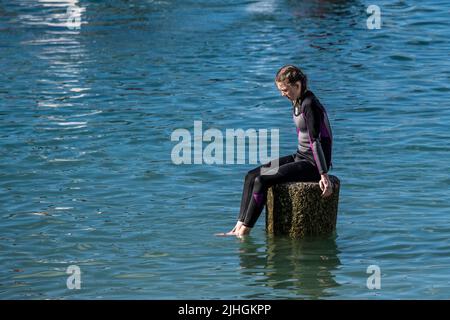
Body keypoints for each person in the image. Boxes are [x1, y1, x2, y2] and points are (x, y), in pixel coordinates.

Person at [219, 65, 334, 237]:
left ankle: (244, 232)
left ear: (297, 85)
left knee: (262, 180)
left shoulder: (310, 104)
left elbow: (315, 141)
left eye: (285, 90)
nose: (283, 94)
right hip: (300, 157)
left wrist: (323, 174)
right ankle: (237, 226)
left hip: (312, 164)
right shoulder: (297, 101)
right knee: (251, 176)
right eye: (281, 90)